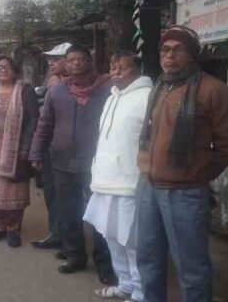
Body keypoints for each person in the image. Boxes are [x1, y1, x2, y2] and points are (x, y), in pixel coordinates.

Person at [136, 25, 228, 302]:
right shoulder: (161, 87)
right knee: (148, 259)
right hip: (148, 187)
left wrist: (196, 175)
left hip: (184, 192)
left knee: (191, 268)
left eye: (178, 50)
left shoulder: (214, 90)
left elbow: (225, 146)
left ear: (192, 55)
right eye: (165, 49)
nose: (170, 56)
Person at [29, 44, 116, 285]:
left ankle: (105, 264)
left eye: (80, 59)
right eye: (71, 59)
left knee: (98, 215)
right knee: (68, 212)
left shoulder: (107, 89)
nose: (75, 63)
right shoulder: (57, 92)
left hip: (96, 163)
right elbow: (45, 124)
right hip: (61, 160)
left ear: (90, 61)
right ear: (65, 64)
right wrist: (37, 152)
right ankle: (75, 256)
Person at [82, 51, 151, 302]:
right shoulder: (111, 97)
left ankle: (142, 292)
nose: (116, 71)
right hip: (104, 180)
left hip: (130, 184)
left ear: (138, 70)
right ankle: (126, 284)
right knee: (110, 236)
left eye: (123, 67)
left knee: (133, 242)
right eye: (113, 67)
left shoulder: (147, 96)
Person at [0, 56, 38, 247]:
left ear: (15, 70)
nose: (3, 70)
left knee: (14, 190)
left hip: (15, 150)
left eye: (7, 67)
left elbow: (32, 121)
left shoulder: (25, 91)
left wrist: (26, 147)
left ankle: (13, 229)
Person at [30, 42, 70, 250]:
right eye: (50, 59)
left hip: (69, 153)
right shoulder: (52, 84)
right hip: (50, 148)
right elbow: (44, 122)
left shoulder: (78, 87)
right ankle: (57, 234)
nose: (52, 63)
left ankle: (70, 241)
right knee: (51, 194)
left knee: (68, 199)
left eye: (57, 59)